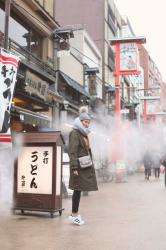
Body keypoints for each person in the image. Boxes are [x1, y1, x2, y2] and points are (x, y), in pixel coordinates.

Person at [68, 110, 98, 226]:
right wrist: (74, 167)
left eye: (88, 122)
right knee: (77, 190)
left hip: (83, 166)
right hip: (78, 167)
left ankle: (74, 214)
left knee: (78, 190)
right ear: (80, 121)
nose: (87, 124)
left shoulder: (82, 133)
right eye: (85, 122)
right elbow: (73, 151)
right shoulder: (75, 133)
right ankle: (74, 215)